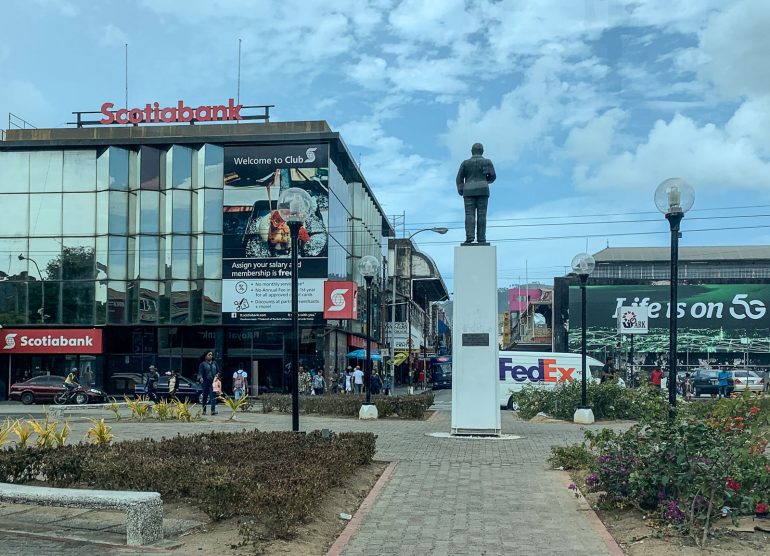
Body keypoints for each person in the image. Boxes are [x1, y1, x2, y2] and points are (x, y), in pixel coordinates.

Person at [456, 142, 496, 245]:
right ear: (482, 151)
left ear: (471, 151)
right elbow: (492, 177)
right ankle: (481, 239)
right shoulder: (487, 162)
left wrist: (461, 189)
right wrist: (486, 179)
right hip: (483, 189)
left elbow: (459, 178)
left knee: (469, 214)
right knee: (482, 215)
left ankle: (469, 238)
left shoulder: (465, 163)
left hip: (468, 190)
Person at [197, 351, 220, 415]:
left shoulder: (215, 363)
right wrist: (200, 378)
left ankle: (213, 410)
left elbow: (218, 371)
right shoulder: (202, 364)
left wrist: (218, 375)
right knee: (205, 396)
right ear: (205, 356)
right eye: (209, 355)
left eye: (211, 355)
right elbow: (200, 373)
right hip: (205, 382)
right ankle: (204, 411)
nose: (210, 356)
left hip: (213, 382)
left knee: (213, 396)